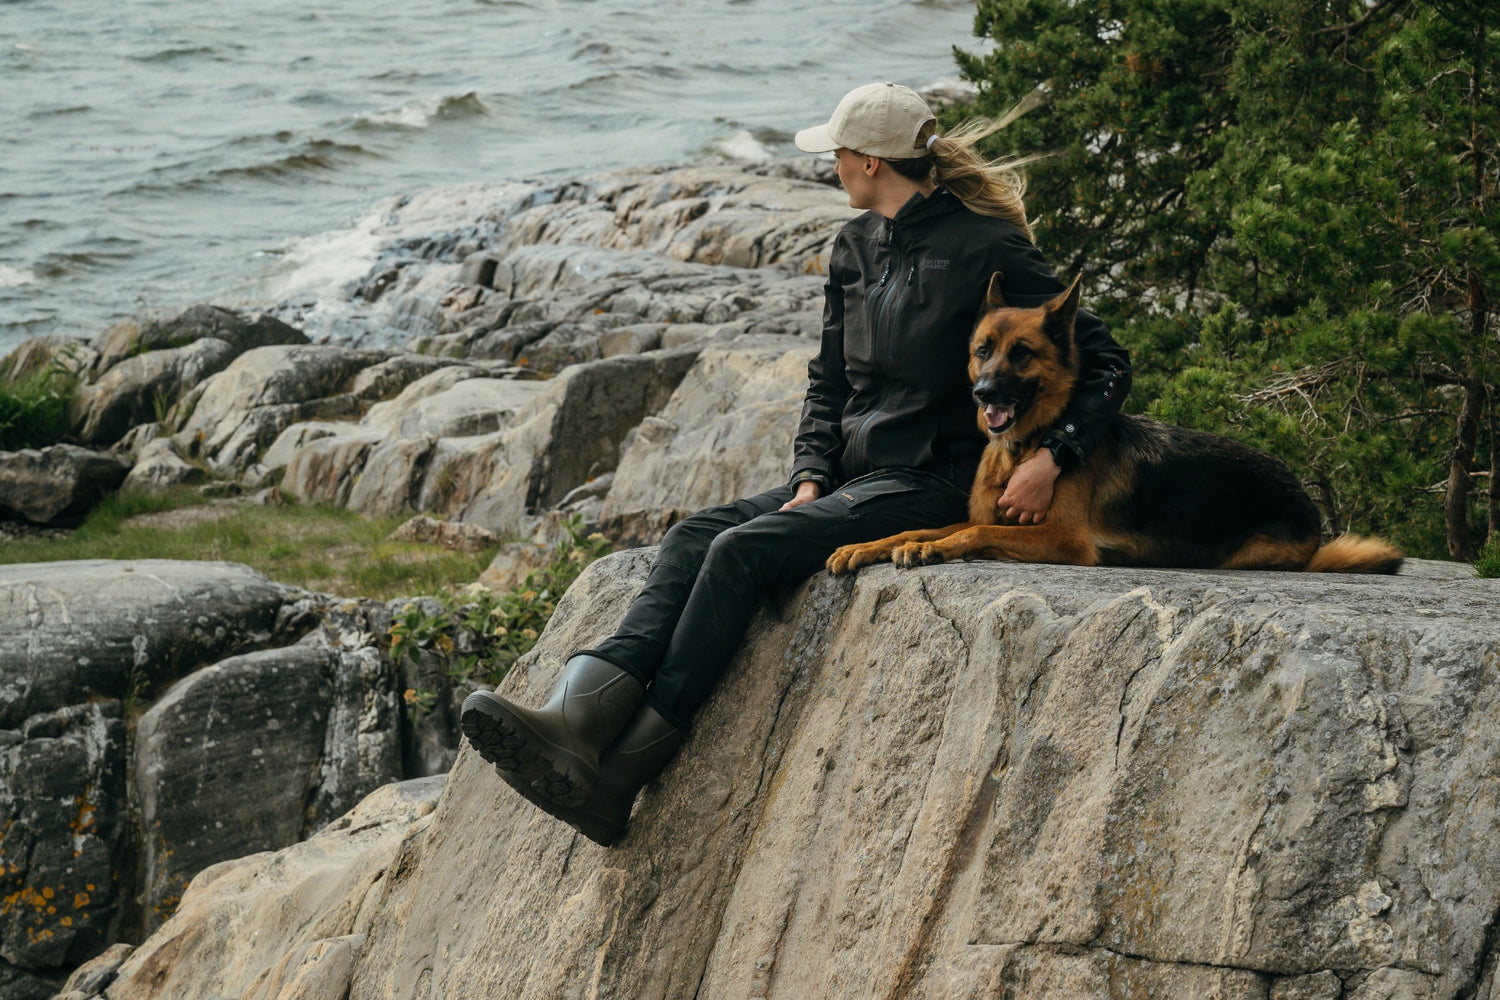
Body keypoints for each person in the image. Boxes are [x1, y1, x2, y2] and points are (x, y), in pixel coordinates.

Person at [460, 81, 1132, 846]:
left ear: (872, 162)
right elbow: (830, 381)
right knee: (691, 537)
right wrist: (811, 474)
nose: (832, 166)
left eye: (838, 155)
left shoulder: (989, 247)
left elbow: (1105, 361)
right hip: (849, 478)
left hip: (933, 483)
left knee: (740, 553)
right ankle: (576, 723)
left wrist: (1052, 456)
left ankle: (617, 780)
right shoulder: (854, 248)